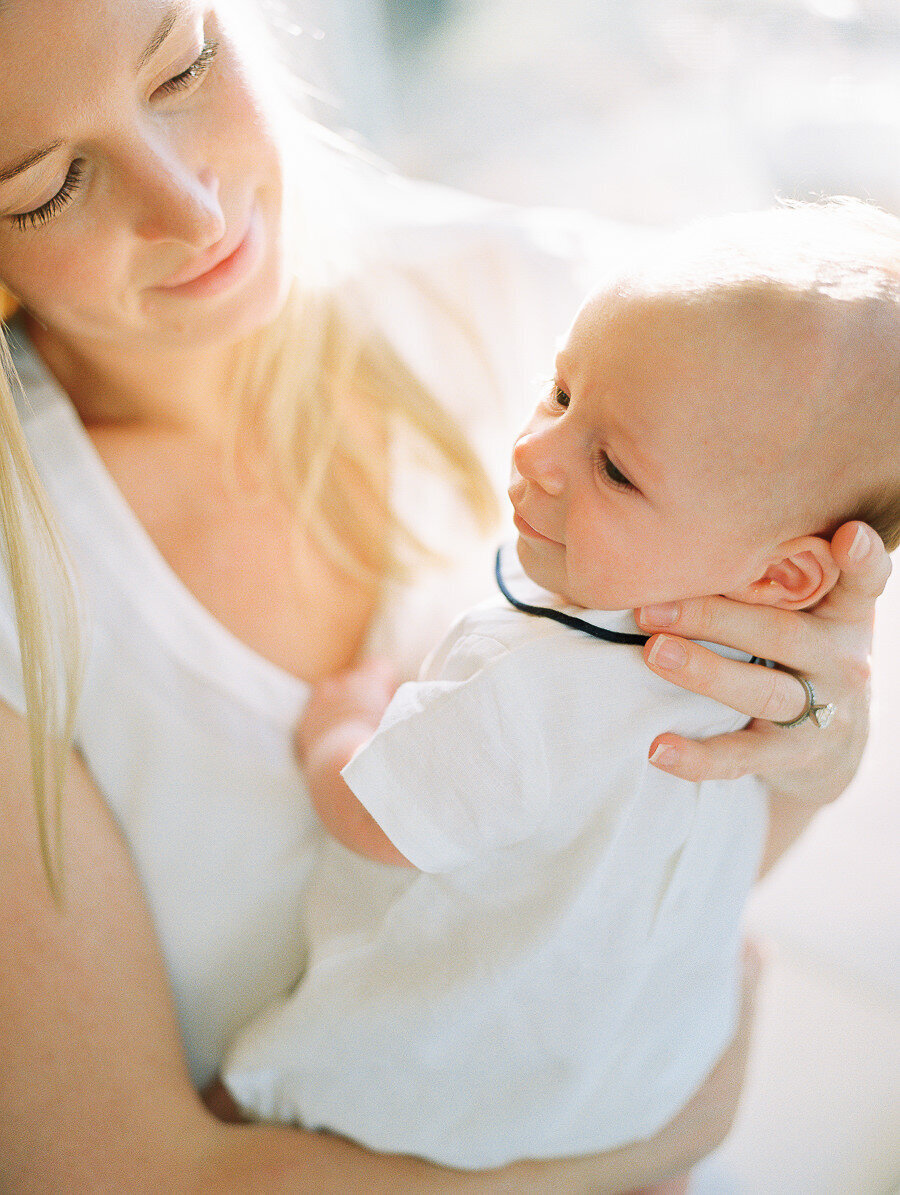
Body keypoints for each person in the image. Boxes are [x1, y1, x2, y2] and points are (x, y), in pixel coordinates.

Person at [0, 2, 891, 1190]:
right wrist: (638, 1151)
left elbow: (590, 907)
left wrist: (808, 767)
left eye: (186, 66)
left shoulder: (608, 326)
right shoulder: (27, 575)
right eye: (49, 186)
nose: (191, 207)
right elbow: (118, 1169)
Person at [218, 203, 900, 1183]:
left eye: (614, 467)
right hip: (641, 1073)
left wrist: (342, 728)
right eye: (561, 389)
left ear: (784, 576)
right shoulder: (763, 677)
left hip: (429, 1091)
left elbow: (377, 821)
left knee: (244, 1109)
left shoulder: (529, 676)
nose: (537, 453)